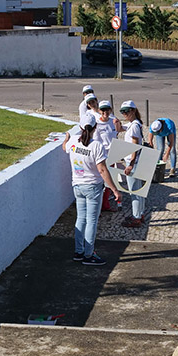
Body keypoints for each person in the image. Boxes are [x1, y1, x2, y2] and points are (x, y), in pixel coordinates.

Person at [62, 114, 122, 266]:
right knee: (92, 221)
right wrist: (114, 189)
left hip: (77, 185)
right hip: (93, 187)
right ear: (95, 128)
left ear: (81, 127)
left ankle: (79, 251)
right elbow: (102, 170)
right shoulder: (97, 145)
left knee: (81, 218)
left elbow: (65, 148)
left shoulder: (74, 141)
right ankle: (89, 255)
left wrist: (66, 138)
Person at [118, 100, 147, 228]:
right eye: (122, 112)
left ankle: (136, 217)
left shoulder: (134, 126)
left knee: (134, 191)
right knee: (139, 191)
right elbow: (120, 128)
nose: (124, 114)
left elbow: (135, 146)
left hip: (133, 161)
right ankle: (140, 214)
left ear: (133, 111)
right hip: (138, 161)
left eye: (127, 111)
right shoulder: (134, 124)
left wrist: (130, 164)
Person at [94, 100, 123, 212]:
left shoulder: (113, 121)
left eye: (107, 109)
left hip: (113, 155)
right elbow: (96, 142)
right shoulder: (96, 124)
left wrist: (118, 125)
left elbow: (117, 133)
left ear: (111, 110)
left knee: (109, 181)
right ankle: (100, 206)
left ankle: (105, 205)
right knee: (102, 181)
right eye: (103, 110)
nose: (105, 112)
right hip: (102, 156)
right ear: (99, 111)